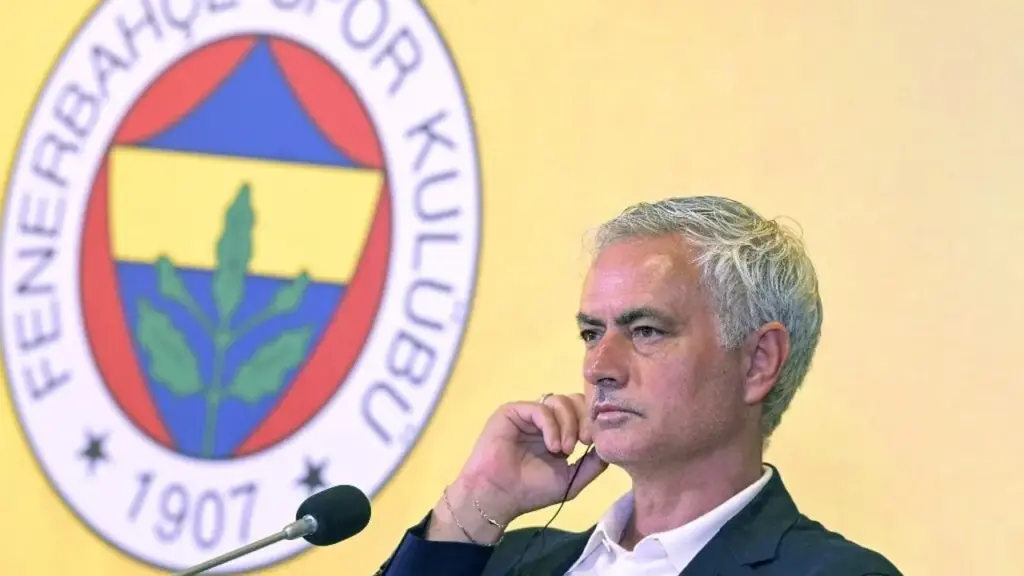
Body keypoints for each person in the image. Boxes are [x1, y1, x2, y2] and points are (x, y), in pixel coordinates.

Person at [375, 196, 902, 576]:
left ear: (758, 362)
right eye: (591, 333)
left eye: (646, 330)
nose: (598, 366)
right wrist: (477, 498)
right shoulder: (508, 560)